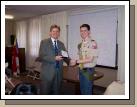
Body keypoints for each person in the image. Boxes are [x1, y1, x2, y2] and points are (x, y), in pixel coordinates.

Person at [39, 24, 74, 95]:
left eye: (57, 31)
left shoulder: (61, 44)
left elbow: (65, 56)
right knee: (45, 92)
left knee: (56, 92)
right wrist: (54, 58)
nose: (55, 33)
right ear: (50, 32)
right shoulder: (44, 42)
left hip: (58, 73)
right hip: (47, 73)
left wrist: (70, 61)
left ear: (59, 33)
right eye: (53, 31)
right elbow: (41, 56)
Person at [76, 24, 98, 95]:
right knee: (82, 91)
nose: (83, 32)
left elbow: (90, 59)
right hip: (81, 69)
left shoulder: (93, 43)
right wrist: (78, 71)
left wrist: (76, 61)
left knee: (87, 92)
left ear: (89, 32)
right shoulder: (81, 44)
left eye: (85, 30)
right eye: (81, 31)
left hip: (88, 71)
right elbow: (81, 58)